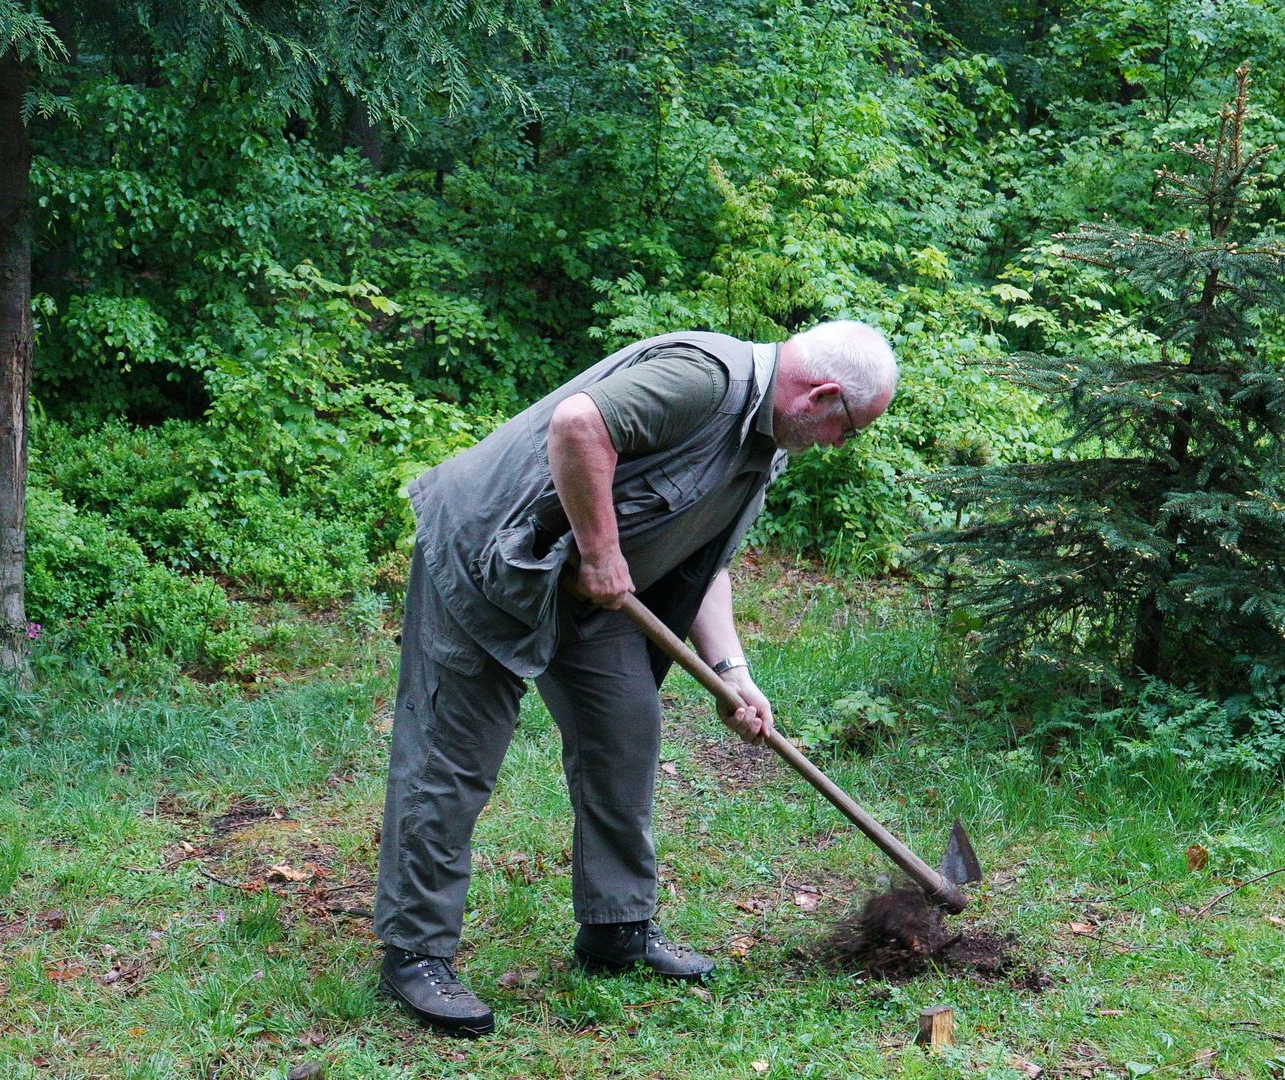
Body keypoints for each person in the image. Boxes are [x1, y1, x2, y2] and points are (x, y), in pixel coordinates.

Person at [374, 321, 898, 1036]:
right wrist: (599, 550)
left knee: (623, 733)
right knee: (452, 759)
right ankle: (415, 952)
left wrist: (730, 671)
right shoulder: (702, 380)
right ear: (822, 396)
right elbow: (578, 424)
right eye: (849, 429)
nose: (839, 445)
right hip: (492, 560)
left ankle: (615, 928)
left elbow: (702, 557)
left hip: (591, 588)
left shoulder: (764, 442)